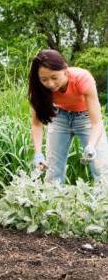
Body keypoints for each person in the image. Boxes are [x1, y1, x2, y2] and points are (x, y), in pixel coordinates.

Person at [29, 49, 108, 183]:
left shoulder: (82, 78)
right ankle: (53, 202)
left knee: (101, 168)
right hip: (59, 117)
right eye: (44, 79)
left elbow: (97, 123)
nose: (50, 84)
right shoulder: (38, 88)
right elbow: (37, 125)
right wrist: (37, 154)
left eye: (54, 78)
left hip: (86, 118)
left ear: (65, 70)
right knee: (53, 172)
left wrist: (91, 145)